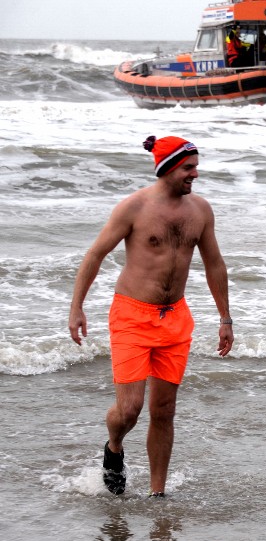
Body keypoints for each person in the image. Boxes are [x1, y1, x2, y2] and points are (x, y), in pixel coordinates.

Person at [68, 135, 233, 497]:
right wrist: (77, 306)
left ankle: (158, 494)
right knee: (130, 410)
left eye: (196, 166)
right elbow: (94, 255)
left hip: (175, 317)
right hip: (131, 315)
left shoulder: (201, 210)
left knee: (164, 410)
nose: (196, 174)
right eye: (189, 167)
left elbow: (214, 264)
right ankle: (114, 448)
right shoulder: (134, 208)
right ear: (169, 168)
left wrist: (225, 318)